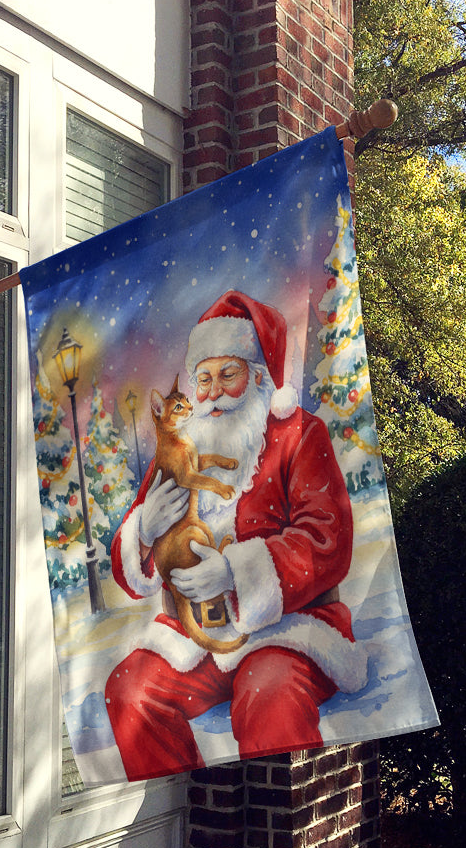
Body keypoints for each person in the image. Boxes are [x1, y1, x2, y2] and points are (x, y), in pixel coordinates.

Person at [106, 290, 365, 780]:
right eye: (203, 379)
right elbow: (129, 568)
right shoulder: (182, 447)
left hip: (286, 629)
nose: (213, 392)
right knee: (129, 691)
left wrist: (234, 573)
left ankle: (277, 821)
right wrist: (144, 530)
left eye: (228, 374)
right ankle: (199, 805)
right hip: (193, 636)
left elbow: (326, 538)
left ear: (259, 375)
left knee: (270, 696)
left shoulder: (299, 434)